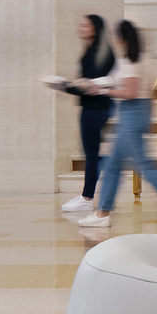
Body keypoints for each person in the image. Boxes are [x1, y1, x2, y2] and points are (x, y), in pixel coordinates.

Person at [76, 20, 157, 229]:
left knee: (144, 167)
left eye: (115, 35)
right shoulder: (139, 58)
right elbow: (138, 88)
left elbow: (130, 92)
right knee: (112, 165)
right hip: (135, 114)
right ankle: (102, 213)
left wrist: (102, 91)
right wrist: (96, 84)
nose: (113, 39)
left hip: (130, 114)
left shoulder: (131, 61)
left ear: (121, 38)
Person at [59, 14, 114, 213]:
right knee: (91, 154)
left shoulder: (96, 53)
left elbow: (90, 85)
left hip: (94, 110)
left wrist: (64, 86)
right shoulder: (95, 51)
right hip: (97, 108)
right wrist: (66, 86)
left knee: (91, 155)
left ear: (94, 29)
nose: (80, 28)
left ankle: (87, 197)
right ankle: (87, 196)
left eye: (85, 25)